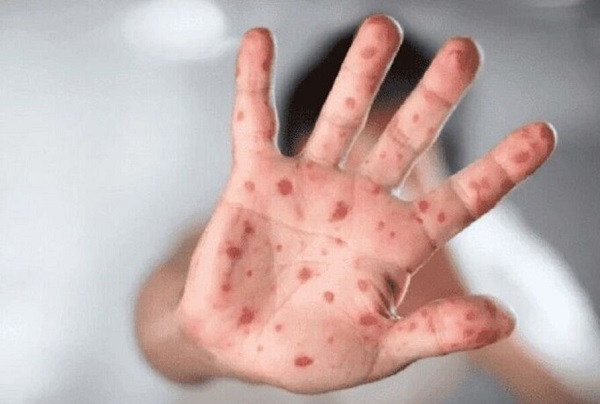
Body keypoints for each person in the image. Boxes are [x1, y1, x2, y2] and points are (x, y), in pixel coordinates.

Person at [134, 14, 596, 403]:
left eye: (399, 169)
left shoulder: (491, 250)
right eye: (341, 162)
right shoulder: (242, 238)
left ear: (444, 170)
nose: (358, 209)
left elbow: (581, 389)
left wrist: (458, 304)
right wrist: (208, 339)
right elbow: (159, 332)